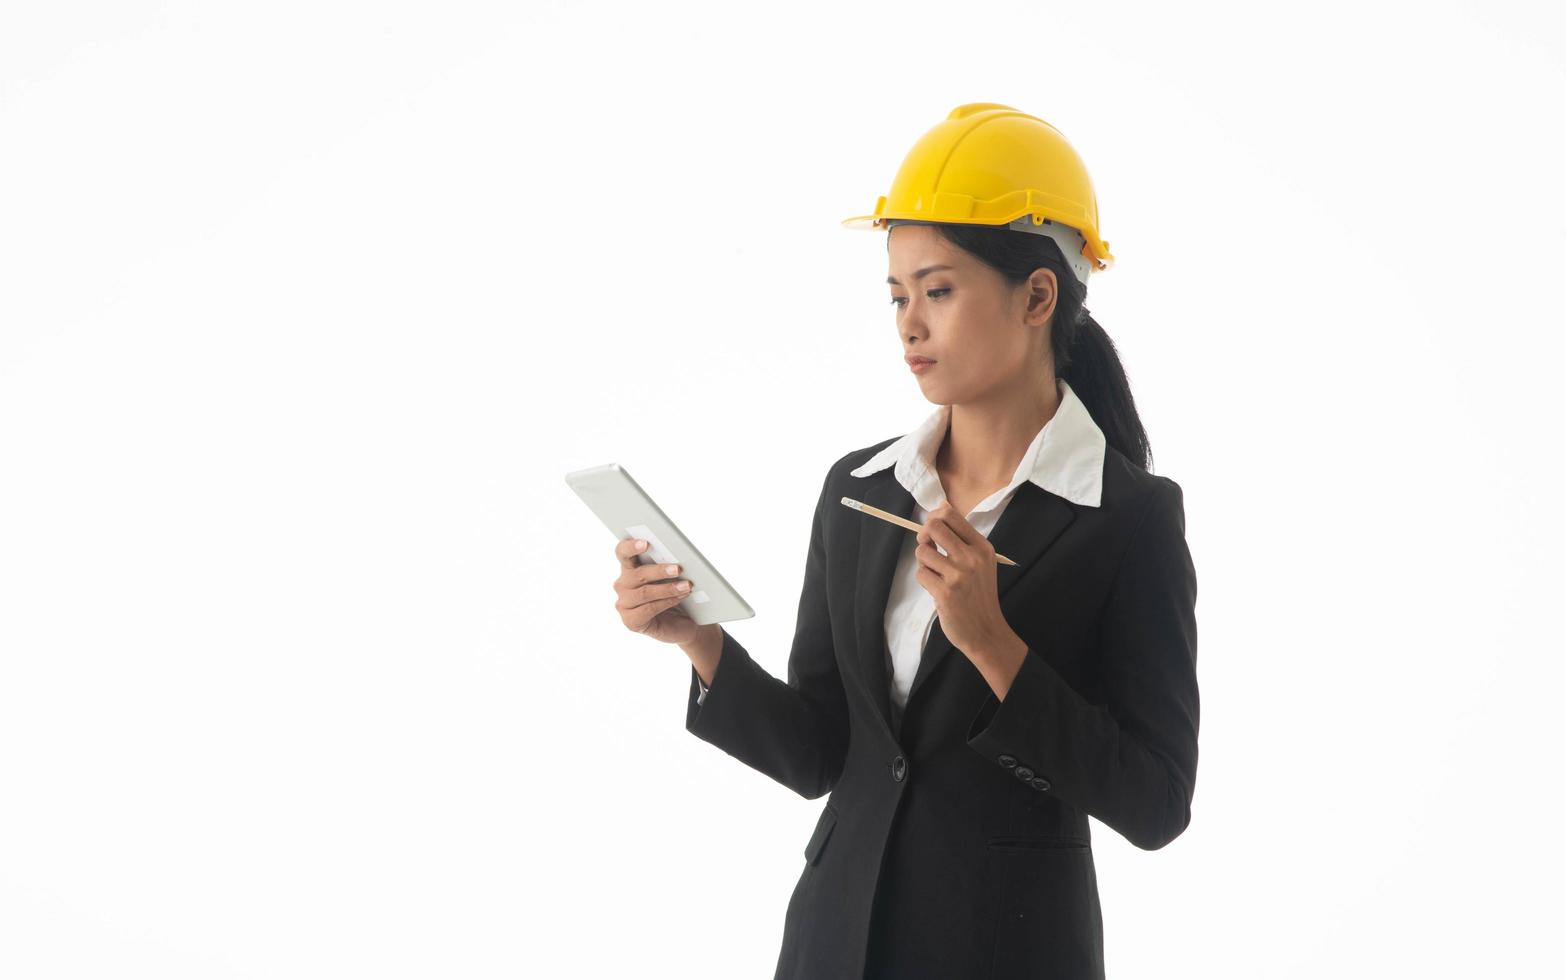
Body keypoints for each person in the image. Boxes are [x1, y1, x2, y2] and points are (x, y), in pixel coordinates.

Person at [611, 103, 1199, 980]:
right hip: (833, 947)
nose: (908, 324)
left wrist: (995, 644)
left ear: (1038, 294)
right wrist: (699, 641)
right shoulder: (862, 489)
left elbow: (1155, 802)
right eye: (897, 294)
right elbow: (820, 753)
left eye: (939, 289)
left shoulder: (1129, 518)